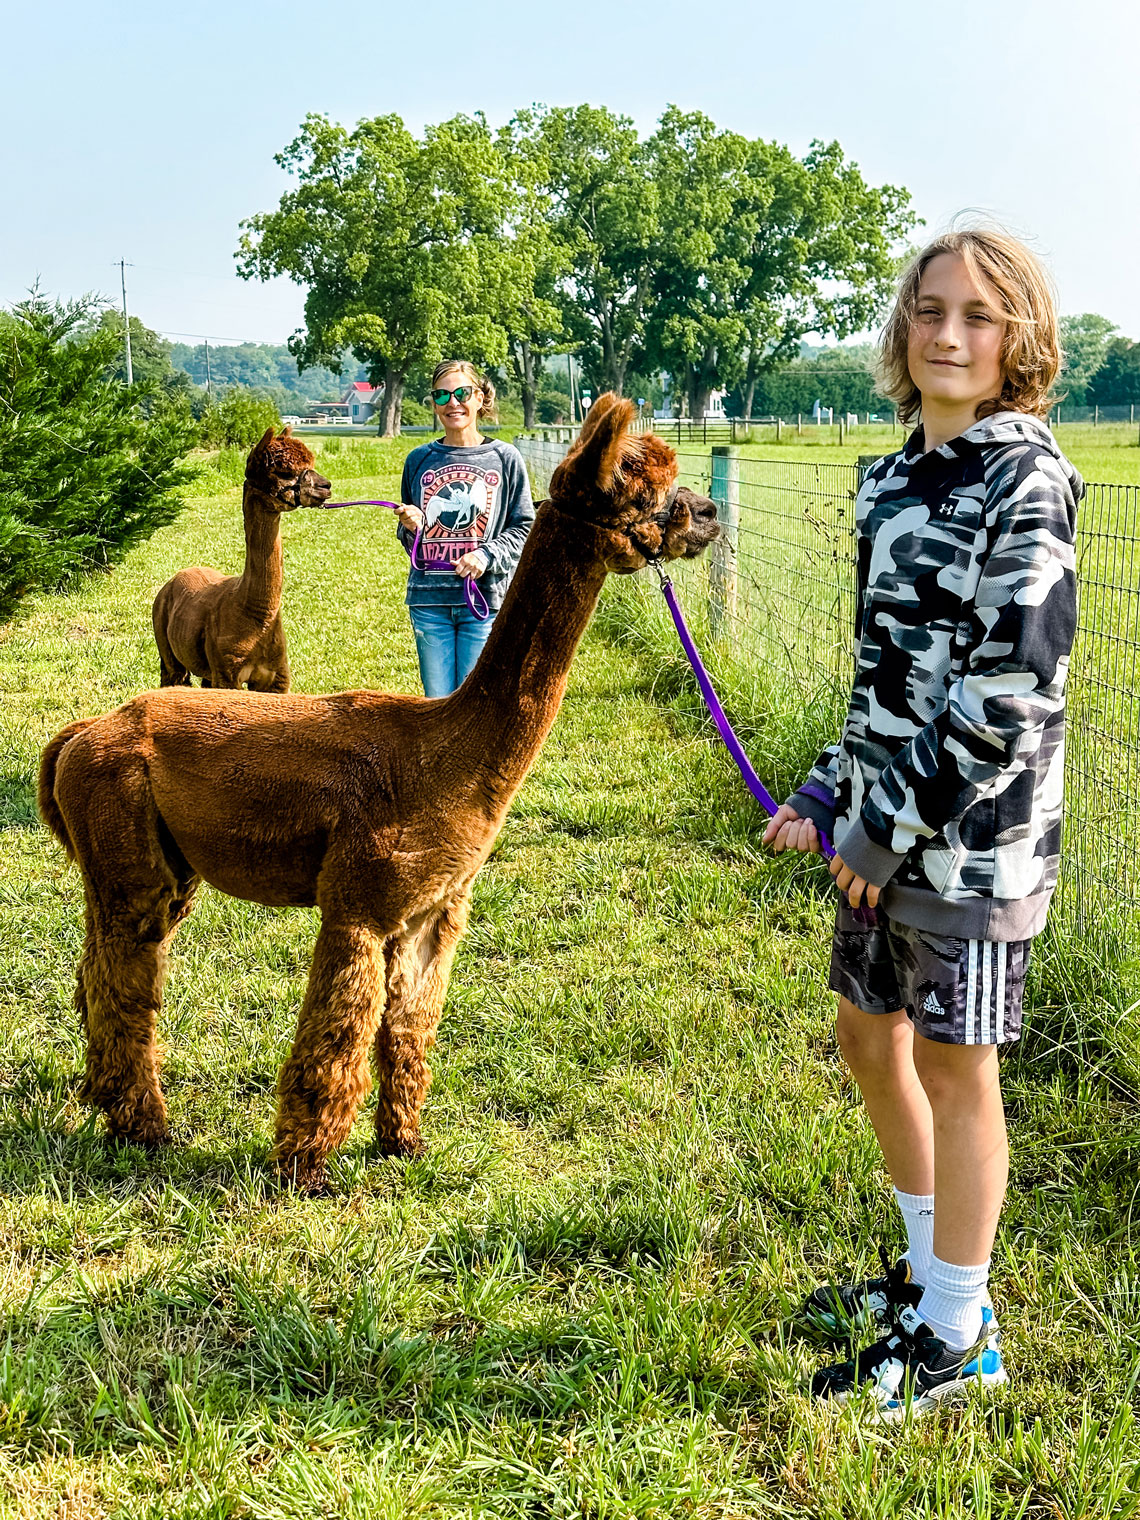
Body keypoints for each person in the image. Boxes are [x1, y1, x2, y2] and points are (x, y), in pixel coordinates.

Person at [763, 228, 1082, 1416]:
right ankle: (926, 1274)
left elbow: (1009, 692)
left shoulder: (1027, 479)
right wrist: (824, 787)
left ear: (1021, 340)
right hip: (877, 834)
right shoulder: (895, 476)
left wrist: (882, 828)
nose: (949, 335)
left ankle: (960, 1336)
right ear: (902, 328)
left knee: (957, 1066)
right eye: (930, 311)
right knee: (866, 1035)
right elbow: (882, 677)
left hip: (970, 842)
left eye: (980, 317)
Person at [396, 362, 534, 697]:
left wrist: (487, 555)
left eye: (462, 392)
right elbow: (410, 542)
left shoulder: (505, 458)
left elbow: (525, 527)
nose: (452, 402)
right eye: (442, 394)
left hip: (484, 600)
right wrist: (411, 527)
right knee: (437, 705)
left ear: (480, 397)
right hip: (430, 601)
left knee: (475, 705)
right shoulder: (419, 460)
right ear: (433, 403)